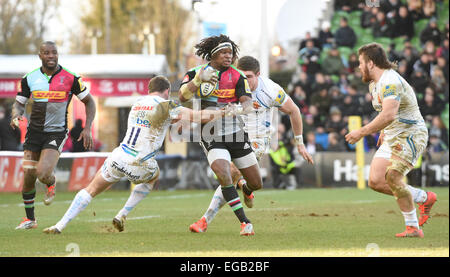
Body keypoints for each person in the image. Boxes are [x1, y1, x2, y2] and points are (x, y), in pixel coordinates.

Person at [42, 76, 227, 234]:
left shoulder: (138, 103)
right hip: (140, 163)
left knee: (90, 190)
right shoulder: (166, 105)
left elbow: (159, 120)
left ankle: (60, 224)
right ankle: (122, 214)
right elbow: (199, 116)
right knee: (154, 176)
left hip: (118, 156)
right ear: (167, 90)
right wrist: (224, 112)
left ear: (149, 90)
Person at [188, 56, 314, 233]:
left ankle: (211, 215)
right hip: (231, 135)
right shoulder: (229, 84)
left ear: (258, 75)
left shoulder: (270, 90)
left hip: (256, 139)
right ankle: (218, 211)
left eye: (249, 77)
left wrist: (299, 143)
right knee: (227, 173)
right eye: (242, 76)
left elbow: (294, 110)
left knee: (233, 174)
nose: (245, 81)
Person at [345, 43, 437, 238]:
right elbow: (387, 114)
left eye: (360, 63)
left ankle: (412, 227)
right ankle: (423, 197)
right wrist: (384, 130)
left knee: (392, 177)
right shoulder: (374, 84)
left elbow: (388, 114)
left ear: (370, 63)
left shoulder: (390, 81)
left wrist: (361, 132)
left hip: (411, 134)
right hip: (393, 134)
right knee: (376, 181)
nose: (358, 67)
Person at [178, 35, 261, 236]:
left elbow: (248, 103)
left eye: (230, 53)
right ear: (213, 53)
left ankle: (245, 188)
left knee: (256, 183)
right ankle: (245, 223)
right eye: (224, 52)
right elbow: (182, 97)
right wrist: (198, 81)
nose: (228, 56)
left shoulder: (238, 75)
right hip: (211, 134)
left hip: (236, 134)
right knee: (223, 175)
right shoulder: (195, 73)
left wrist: (240, 109)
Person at [11, 41, 96, 230]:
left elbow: (90, 102)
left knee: (42, 173)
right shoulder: (29, 78)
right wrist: (16, 115)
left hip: (56, 132)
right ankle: (30, 220)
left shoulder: (71, 78)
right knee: (28, 176)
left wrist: (87, 127)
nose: (51, 56)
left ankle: (51, 180)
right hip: (34, 133)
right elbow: (19, 103)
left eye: (54, 53)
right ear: (40, 56)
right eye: (47, 53)